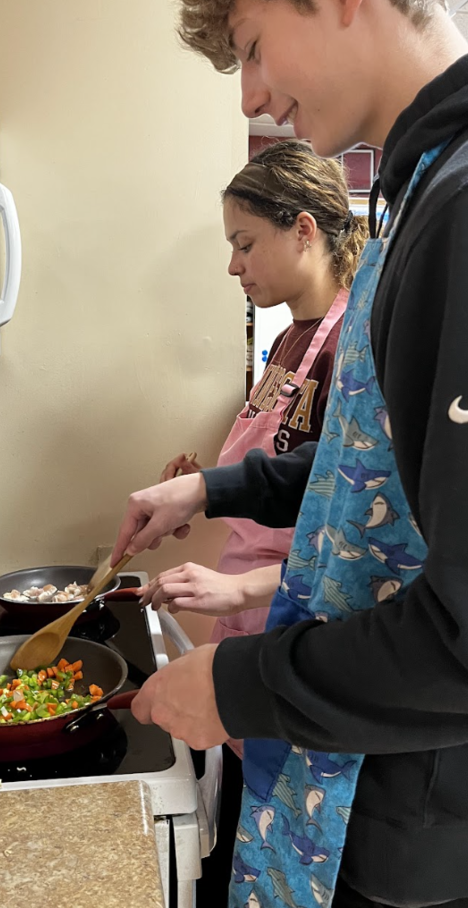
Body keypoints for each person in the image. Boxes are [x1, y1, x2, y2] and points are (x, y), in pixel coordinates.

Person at [111, 0, 468, 908]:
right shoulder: (428, 191)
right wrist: (218, 489)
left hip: (435, 833)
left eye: (251, 47)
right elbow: (385, 476)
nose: (250, 96)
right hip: (388, 788)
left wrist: (238, 684)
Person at [147, 140, 367, 664]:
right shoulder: (291, 338)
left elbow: (352, 518)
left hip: (304, 610)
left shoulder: (356, 346)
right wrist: (201, 485)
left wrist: (244, 586)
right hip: (249, 596)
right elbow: (281, 457)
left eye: (244, 244)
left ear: (304, 231)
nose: (232, 266)